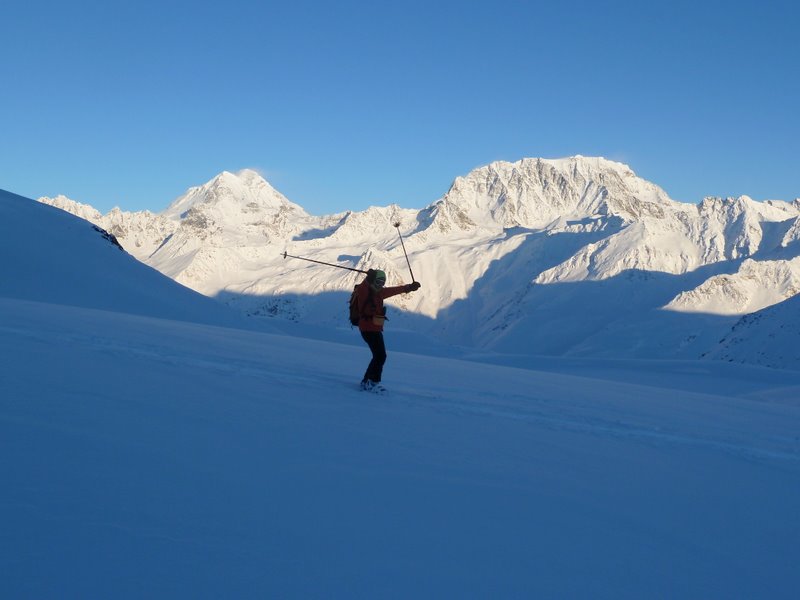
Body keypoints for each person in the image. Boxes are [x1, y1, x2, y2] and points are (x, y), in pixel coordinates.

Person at [355, 268, 421, 392]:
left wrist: (409, 287)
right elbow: (363, 287)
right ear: (372, 280)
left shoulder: (379, 292)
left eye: (382, 282)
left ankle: (367, 381)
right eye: (378, 282)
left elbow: (395, 290)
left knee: (378, 355)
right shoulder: (364, 290)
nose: (380, 285)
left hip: (374, 328)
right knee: (380, 356)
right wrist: (368, 278)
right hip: (368, 328)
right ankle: (372, 382)